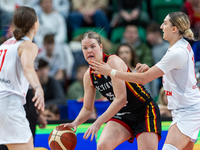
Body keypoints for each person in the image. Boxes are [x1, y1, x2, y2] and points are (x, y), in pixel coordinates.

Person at [90, 12, 200, 150]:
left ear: (174, 29)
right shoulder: (180, 45)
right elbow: (174, 72)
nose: (161, 26)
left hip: (188, 111)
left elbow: (142, 80)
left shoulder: (177, 51)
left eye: (165, 23)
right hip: (185, 109)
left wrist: (111, 72)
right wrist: (150, 69)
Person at [61, 31, 161, 150]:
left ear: (101, 47)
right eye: (85, 48)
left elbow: (121, 99)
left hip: (144, 110)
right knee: (103, 146)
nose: (89, 51)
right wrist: (75, 122)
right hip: (122, 114)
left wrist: (98, 123)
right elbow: (87, 108)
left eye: (93, 46)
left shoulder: (112, 61)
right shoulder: (88, 75)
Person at [0, 6, 45, 150]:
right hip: (9, 104)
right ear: (34, 24)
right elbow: (28, 68)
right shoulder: (28, 45)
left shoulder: (5, 44)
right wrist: (38, 88)